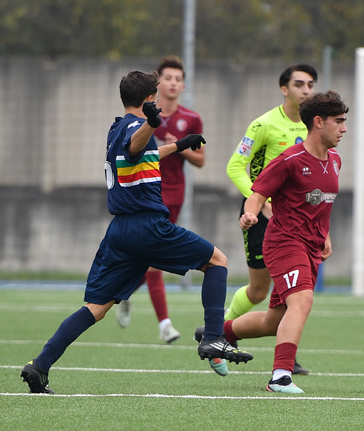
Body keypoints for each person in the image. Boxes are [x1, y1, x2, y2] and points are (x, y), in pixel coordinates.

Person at [20, 70, 253, 393]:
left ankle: (40, 365)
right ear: (149, 99)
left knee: (96, 309)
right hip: (147, 225)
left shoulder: (115, 127)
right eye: (155, 94)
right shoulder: (135, 128)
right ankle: (214, 337)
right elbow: (135, 145)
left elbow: (140, 153)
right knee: (217, 261)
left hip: (120, 231)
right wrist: (152, 123)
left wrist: (178, 145)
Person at [198, 90, 348, 393]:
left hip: (310, 248)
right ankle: (280, 376)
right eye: (339, 121)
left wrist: (326, 235)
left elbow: (319, 202)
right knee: (302, 301)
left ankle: (216, 334)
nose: (344, 128)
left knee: (273, 321)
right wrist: (250, 215)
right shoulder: (289, 160)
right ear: (319, 122)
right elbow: (257, 195)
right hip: (284, 243)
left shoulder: (335, 160)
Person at [222, 63, 318, 376]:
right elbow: (235, 167)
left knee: (294, 291)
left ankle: (286, 355)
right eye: (299, 84)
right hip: (261, 216)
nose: (306, 90)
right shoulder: (263, 124)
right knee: (258, 291)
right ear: (284, 89)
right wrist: (260, 202)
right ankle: (220, 333)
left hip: (296, 221)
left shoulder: (313, 128)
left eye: (310, 84)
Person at [115, 56, 205, 346]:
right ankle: (165, 324)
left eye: (179, 79)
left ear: (183, 85)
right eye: (168, 78)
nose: (173, 83)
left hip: (173, 193)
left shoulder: (191, 119)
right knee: (153, 259)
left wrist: (178, 145)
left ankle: (123, 293)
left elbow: (201, 160)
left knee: (150, 259)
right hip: (145, 193)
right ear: (158, 85)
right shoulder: (142, 117)